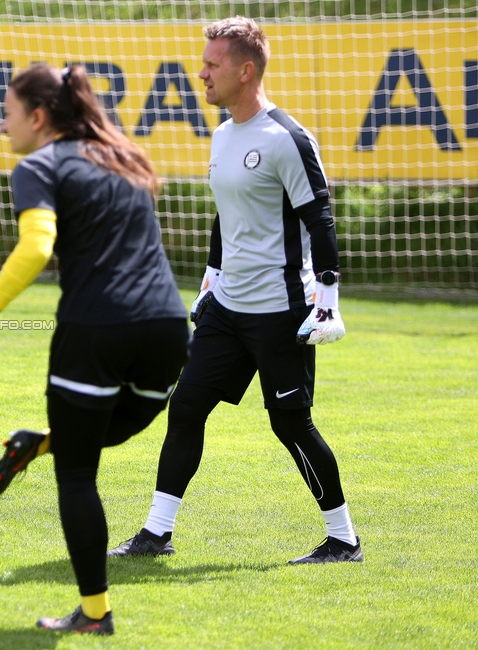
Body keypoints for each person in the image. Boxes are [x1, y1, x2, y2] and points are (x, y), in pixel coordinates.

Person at [0, 64, 189, 635]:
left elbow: (36, 247)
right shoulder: (121, 156)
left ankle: (95, 615)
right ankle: (40, 443)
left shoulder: (38, 165)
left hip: (96, 328)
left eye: (8, 112)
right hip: (169, 326)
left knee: (79, 476)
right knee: (114, 426)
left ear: (38, 117)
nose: (2, 125)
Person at [109, 16, 360, 565]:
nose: (201, 73)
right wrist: (211, 280)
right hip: (227, 310)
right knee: (186, 406)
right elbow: (228, 218)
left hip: (280, 311)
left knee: (290, 423)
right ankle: (156, 533)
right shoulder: (222, 135)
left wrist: (327, 300)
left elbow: (320, 221)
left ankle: (343, 539)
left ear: (245, 71)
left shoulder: (287, 139)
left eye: (211, 64)